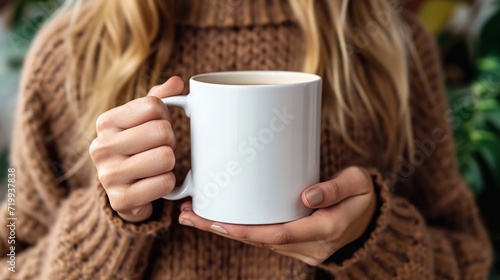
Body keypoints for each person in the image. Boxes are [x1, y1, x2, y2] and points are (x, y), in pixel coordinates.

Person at [0, 0, 492, 279]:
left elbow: (467, 260)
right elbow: (14, 257)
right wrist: (110, 223)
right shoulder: (69, 53)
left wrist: (370, 242)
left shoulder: (386, 40)